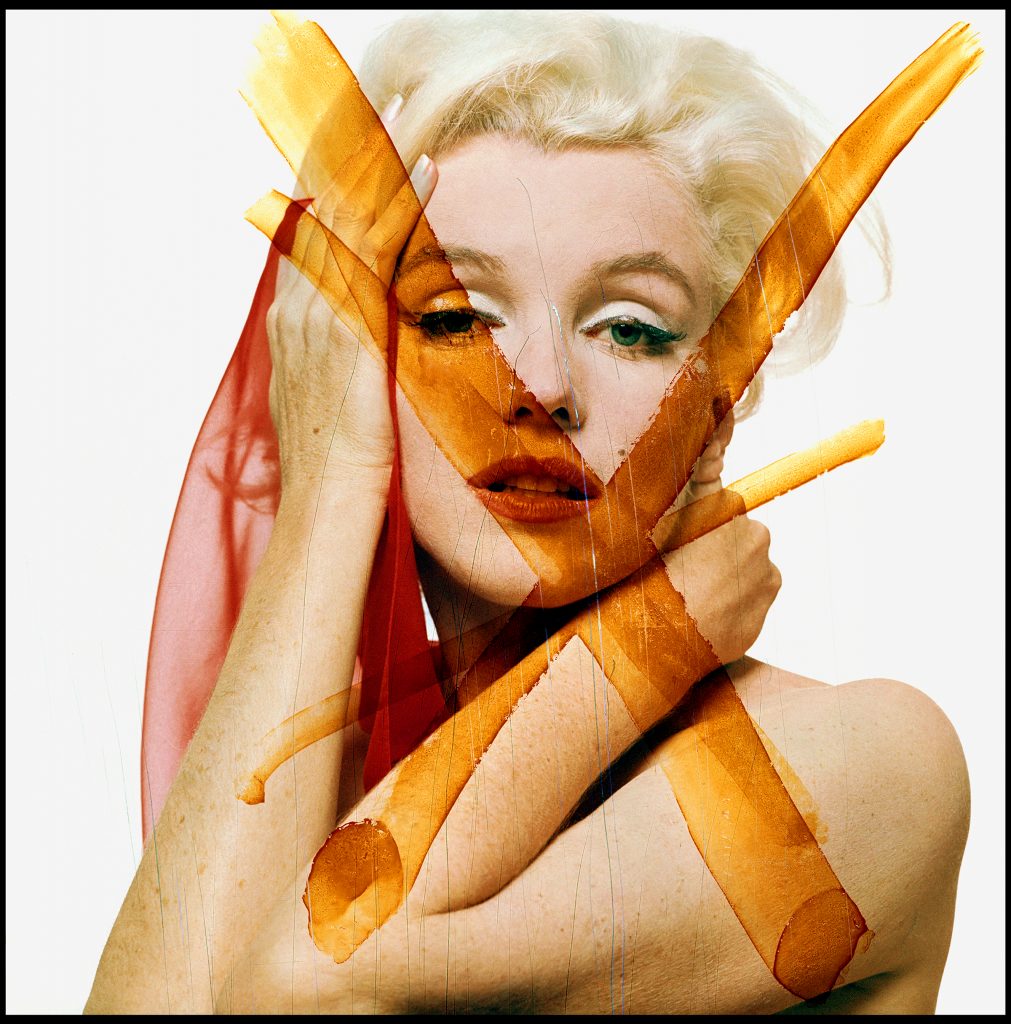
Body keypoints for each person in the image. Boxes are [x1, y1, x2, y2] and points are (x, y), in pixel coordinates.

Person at [85, 11, 971, 1014]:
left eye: (629, 328)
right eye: (455, 318)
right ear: (346, 365)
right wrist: (332, 477)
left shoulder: (868, 763)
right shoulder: (306, 786)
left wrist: (638, 650)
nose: (540, 385)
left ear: (716, 406)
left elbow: (304, 996)